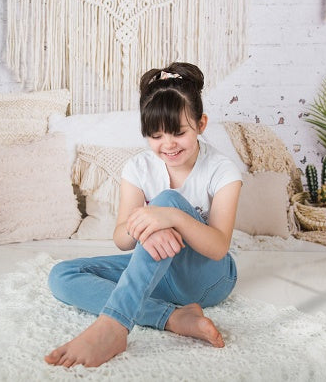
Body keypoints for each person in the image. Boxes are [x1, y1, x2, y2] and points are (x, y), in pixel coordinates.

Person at [44, 62, 242, 368]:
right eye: (156, 136)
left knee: (167, 200)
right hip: (160, 272)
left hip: (209, 278)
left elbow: (218, 247)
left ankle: (114, 326)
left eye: (179, 132)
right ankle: (174, 318)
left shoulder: (223, 170)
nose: (168, 144)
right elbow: (122, 239)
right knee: (62, 276)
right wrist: (150, 225)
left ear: (201, 124)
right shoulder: (137, 168)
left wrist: (170, 216)